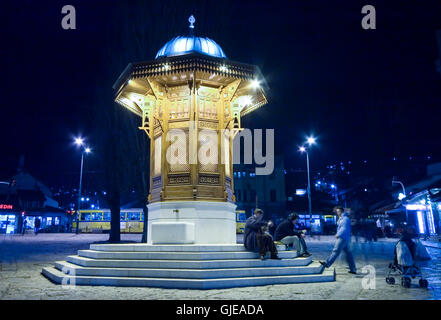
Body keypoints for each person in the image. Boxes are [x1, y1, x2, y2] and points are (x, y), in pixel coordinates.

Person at [320, 206, 357, 274]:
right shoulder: (343, 218)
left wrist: (338, 234)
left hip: (342, 238)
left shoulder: (344, 219)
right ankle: (353, 269)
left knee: (336, 250)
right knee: (348, 254)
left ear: (341, 211)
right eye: (337, 211)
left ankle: (327, 263)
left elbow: (344, 228)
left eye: (338, 211)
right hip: (345, 238)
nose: (337, 213)